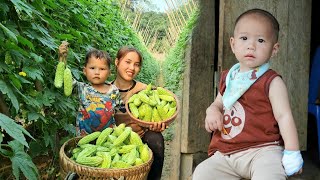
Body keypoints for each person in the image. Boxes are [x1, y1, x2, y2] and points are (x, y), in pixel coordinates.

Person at [192, 8, 303, 179]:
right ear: (233, 44)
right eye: (244, 38)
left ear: (274, 49)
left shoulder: (271, 82)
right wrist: (212, 110)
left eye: (260, 40)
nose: (251, 45)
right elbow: (219, 103)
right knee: (202, 173)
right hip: (227, 152)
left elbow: (284, 116)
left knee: (270, 175)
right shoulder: (229, 77)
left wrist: (292, 152)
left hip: (263, 150)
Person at [112, 46, 166, 180]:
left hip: (141, 137)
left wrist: (155, 125)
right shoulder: (104, 90)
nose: (132, 68)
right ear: (117, 62)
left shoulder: (144, 90)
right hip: (113, 137)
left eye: (136, 65)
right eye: (128, 62)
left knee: (156, 139)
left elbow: (155, 114)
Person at [57, 42, 122, 136]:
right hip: (84, 138)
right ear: (85, 71)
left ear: (109, 73)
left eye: (102, 69)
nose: (97, 72)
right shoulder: (82, 88)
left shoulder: (114, 91)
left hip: (107, 139)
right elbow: (66, 79)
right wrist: (62, 59)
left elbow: (118, 111)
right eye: (92, 68)